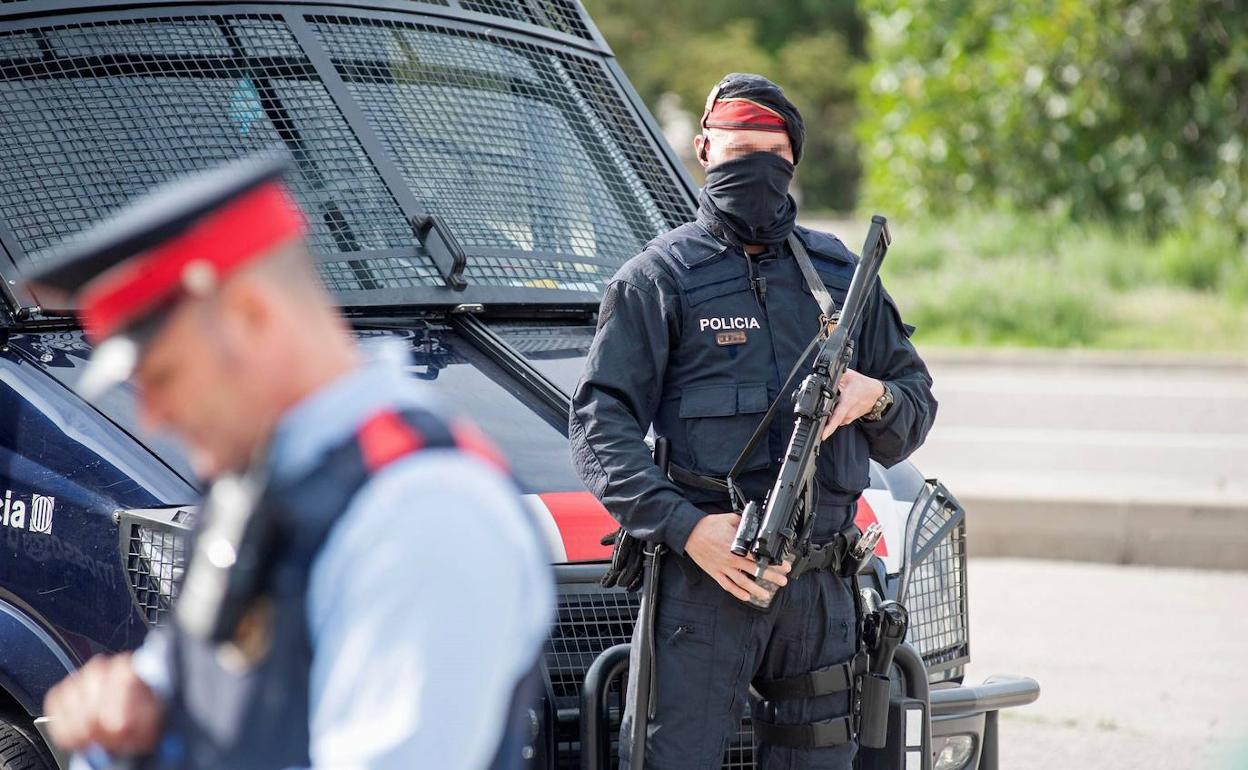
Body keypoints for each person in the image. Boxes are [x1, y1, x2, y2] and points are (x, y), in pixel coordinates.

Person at [32, 154, 553, 770]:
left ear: (251, 316)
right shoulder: (255, 485)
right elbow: (192, 696)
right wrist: (126, 722)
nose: (152, 416)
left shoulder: (424, 511)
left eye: (164, 375)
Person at [569, 73, 937, 769]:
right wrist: (686, 528)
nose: (754, 166)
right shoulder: (659, 279)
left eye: (770, 152)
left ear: (792, 160)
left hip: (824, 594)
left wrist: (874, 398)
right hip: (709, 582)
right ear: (704, 150)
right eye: (738, 149)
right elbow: (598, 426)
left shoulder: (839, 275)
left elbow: (914, 400)